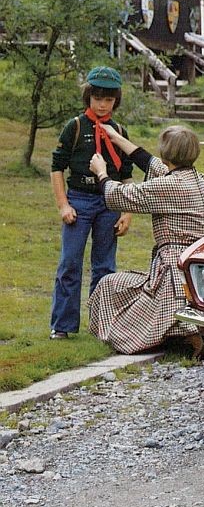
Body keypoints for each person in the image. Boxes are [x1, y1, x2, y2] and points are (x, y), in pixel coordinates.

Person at [87, 125, 204, 355]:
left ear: (167, 153)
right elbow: (151, 163)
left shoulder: (170, 186)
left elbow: (120, 195)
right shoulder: (198, 179)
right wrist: (117, 138)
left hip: (172, 272)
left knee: (109, 285)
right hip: (193, 265)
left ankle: (186, 336)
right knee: (121, 286)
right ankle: (183, 335)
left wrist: (101, 173)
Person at [49, 66, 134, 340]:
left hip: (109, 203)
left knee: (105, 266)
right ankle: (62, 325)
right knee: (70, 263)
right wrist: (63, 205)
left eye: (108, 99)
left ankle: (100, 323)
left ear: (116, 101)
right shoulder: (74, 127)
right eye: (97, 98)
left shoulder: (119, 131)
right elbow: (56, 168)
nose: (102, 105)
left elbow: (127, 175)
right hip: (79, 201)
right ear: (88, 97)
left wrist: (127, 212)